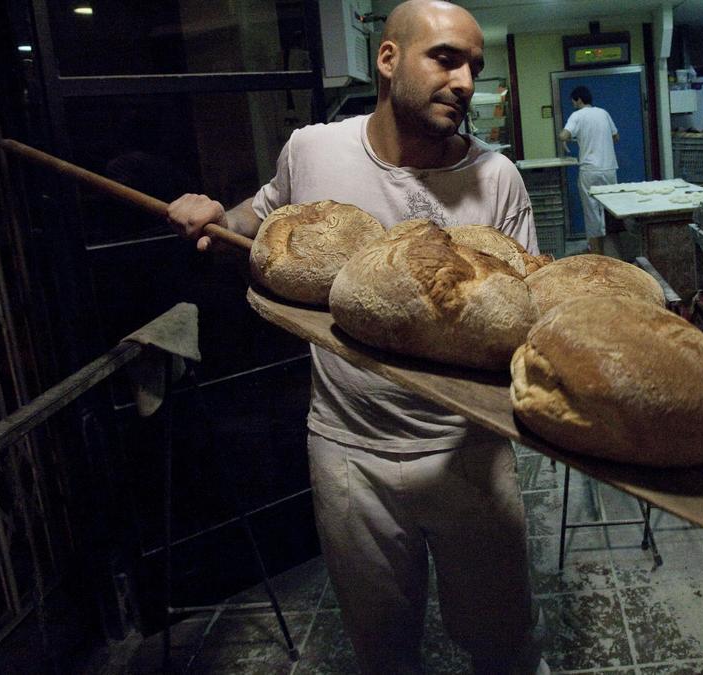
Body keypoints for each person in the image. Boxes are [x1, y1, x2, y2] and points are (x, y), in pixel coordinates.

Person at [166, 1, 546, 672]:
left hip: (468, 451)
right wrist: (210, 214)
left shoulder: (498, 178)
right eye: (446, 58)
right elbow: (256, 219)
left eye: (474, 68)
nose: (464, 82)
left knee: (503, 645)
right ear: (389, 58)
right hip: (347, 452)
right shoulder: (312, 150)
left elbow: (522, 315)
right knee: (383, 650)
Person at [558, 86, 619, 255]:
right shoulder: (603, 113)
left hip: (590, 170)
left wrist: (570, 138)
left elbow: (563, 135)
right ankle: (614, 252)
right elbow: (616, 137)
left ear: (578, 100)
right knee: (612, 210)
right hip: (609, 168)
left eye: (573, 102)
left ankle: (597, 254)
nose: (573, 105)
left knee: (592, 213)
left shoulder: (577, 115)